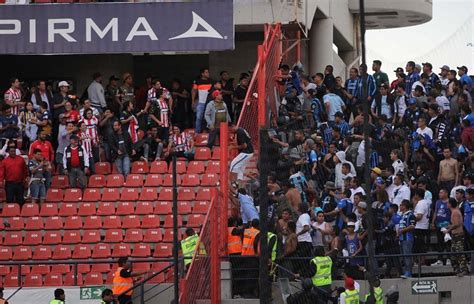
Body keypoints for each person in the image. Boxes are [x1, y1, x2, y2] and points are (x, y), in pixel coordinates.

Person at [444, 198, 468, 276]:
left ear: (450, 204)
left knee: (459, 253)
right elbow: (456, 223)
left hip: (458, 235)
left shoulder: (455, 212)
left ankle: (464, 270)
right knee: (453, 254)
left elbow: (457, 224)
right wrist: (449, 226)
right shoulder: (454, 212)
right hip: (455, 235)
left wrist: (448, 230)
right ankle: (457, 270)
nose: (447, 204)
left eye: (448, 203)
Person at [398, 199, 415, 279]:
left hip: (407, 238)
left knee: (407, 255)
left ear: (404, 206)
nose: (400, 206)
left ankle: (408, 272)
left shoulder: (410, 215)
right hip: (401, 238)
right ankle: (405, 271)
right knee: (404, 256)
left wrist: (402, 231)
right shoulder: (402, 215)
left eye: (401, 205)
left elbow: (412, 226)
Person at [192, 68, 213, 133]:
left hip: (210, 103)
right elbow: (194, 90)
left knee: (210, 117)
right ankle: (197, 132)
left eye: (208, 72)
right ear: (202, 74)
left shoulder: (211, 81)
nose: (208, 73)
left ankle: (210, 131)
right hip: (201, 102)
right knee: (198, 117)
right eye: (206, 72)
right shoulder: (197, 81)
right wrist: (193, 101)